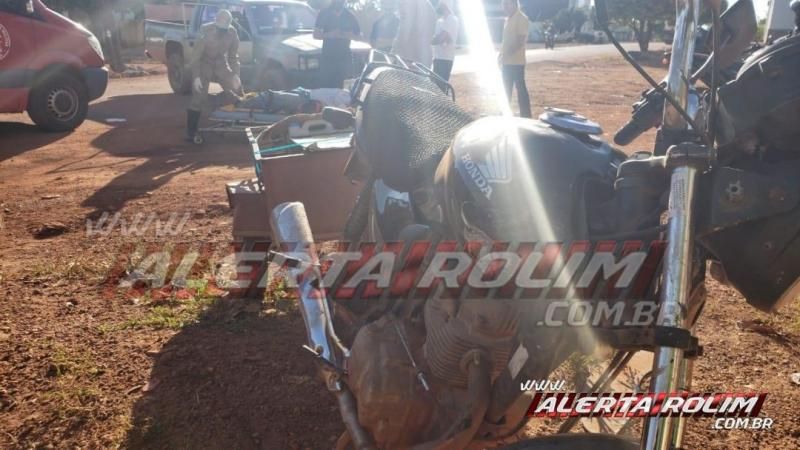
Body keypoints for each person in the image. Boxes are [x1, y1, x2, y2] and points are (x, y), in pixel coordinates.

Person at [186, 9, 242, 142]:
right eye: (220, 27)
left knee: (236, 90)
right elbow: (196, 56)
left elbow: (233, 56)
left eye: (225, 27)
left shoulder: (232, 32)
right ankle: (191, 131)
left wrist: (235, 75)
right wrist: (196, 77)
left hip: (221, 63)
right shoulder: (205, 30)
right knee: (199, 96)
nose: (222, 30)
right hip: (205, 63)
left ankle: (238, 121)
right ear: (216, 22)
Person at [313, 0, 361, 89]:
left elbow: (359, 36)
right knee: (326, 87)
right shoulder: (324, 13)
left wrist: (346, 35)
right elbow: (315, 35)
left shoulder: (349, 15)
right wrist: (329, 35)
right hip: (328, 57)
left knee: (344, 88)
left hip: (344, 58)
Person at [498, 0, 531, 118]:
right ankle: (504, 114)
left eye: (508, 4)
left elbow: (520, 41)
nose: (505, 7)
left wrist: (507, 54)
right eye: (504, 4)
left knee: (520, 89)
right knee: (506, 89)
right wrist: (501, 55)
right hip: (506, 62)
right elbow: (505, 41)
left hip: (517, 62)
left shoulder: (522, 18)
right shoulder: (507, 19)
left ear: (515, 4)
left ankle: (526, 115)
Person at [392, 0, 437, 67]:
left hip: (408, 59)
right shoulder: (429, 6)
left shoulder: (407, 3)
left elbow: (405, 31)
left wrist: (393, 52)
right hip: (425, 57)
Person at [431, 0, 459, 82]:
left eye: (442, 3)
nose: (440, 4)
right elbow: (438, 38)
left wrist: (428, 40)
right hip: (437, 57)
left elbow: (441, 38)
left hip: (446, 59)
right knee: (435, 86)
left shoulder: (452, 19)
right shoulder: (440, 21)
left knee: (441, 86)